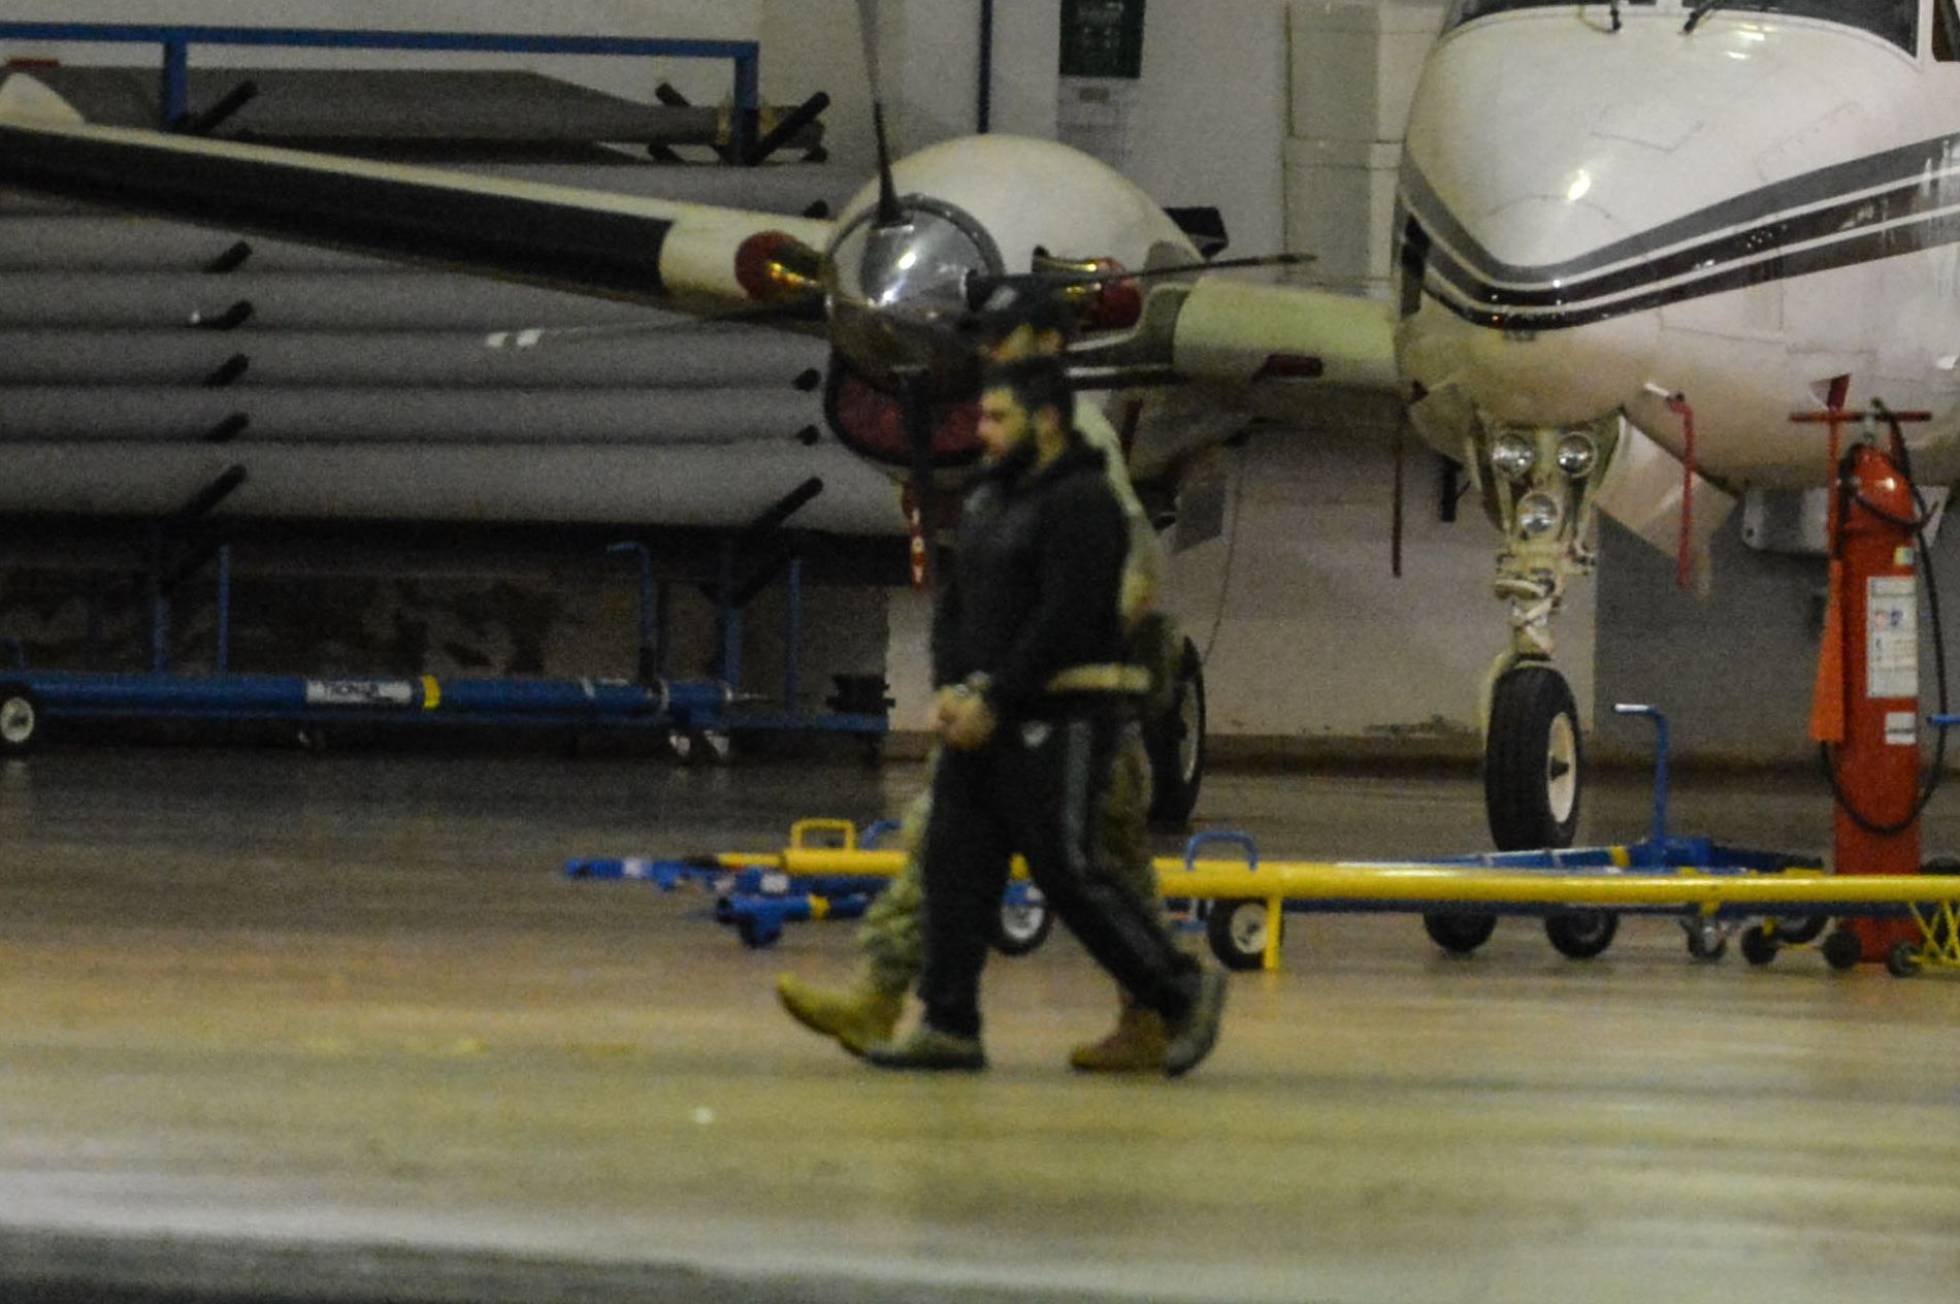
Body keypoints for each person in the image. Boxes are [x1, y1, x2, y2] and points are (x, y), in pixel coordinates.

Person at [775, 301, 1184, 1073]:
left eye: (1011, 343)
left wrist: (1034, 682)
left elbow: (1129, 578)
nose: (993, 357)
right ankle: (890, 995)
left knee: (1105, 873)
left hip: (1072, 709)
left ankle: (1159, 1008)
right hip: (1015, 705)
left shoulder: (1076, 445)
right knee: (947, 846)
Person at [862, 358, 1225, 1077]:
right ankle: (949, 1023)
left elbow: (1067, 616)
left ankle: (1179, 989)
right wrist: (949, 687)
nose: (983, 433)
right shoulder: (991, 495)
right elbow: (958, 604)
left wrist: (996, 697)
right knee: (955, 865)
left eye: (999, 419)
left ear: (1049, 421)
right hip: (979, 717)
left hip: (1059, 717)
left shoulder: (1083, 502)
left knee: (1068, 868)